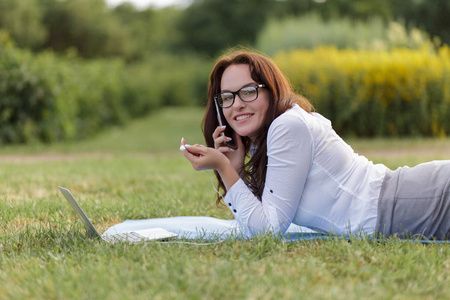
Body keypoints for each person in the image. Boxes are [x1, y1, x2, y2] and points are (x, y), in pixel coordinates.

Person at [181, 49, 450, 240]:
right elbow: (260, 221)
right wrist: (236, 169)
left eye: (248, 91)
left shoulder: (288, 127)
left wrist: (224, 168)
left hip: (418, 201)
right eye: (226, 97)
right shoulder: (270, 135)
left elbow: (267, 231)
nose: (237, 103)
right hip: (405, 203)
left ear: (271, 90)